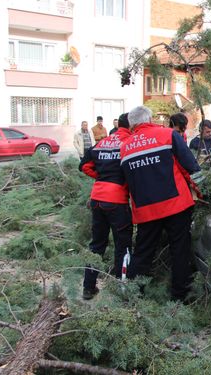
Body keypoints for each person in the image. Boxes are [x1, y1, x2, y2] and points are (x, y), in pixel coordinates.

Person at [120, 106, 200, 301]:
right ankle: (180, 297)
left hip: (146, 210)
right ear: (150, 119)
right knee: (179, 250)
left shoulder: (125, 147)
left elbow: (126, 181)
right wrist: (201, 191)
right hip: (176, 204)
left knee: (143, 253)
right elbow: (190, 166)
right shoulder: (167, 134)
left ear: (132, 125)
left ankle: (133, 294)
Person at [79, 113, 133, 300]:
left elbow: (84, 165)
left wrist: (102, 178)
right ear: (132, 126)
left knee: (97, 244)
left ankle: (88, 287)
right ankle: (121, 287)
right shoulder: (130, 143)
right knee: (123, 245)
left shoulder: (104, 141)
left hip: (97, 197)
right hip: (116, 200)